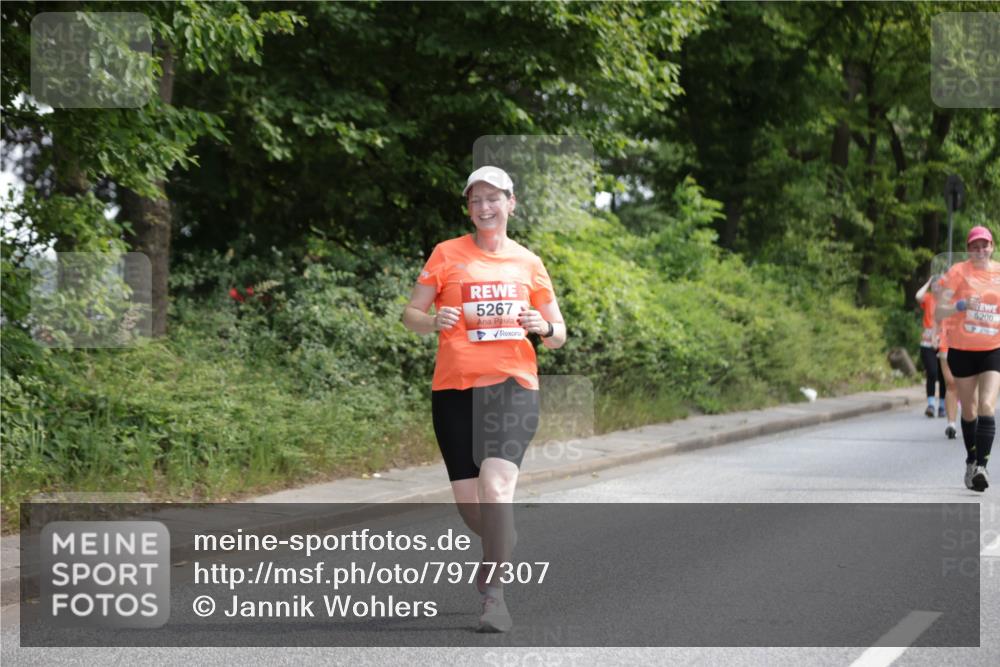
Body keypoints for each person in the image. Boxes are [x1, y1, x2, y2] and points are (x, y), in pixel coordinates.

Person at [402, 165, 567, 631]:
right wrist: (431, 321)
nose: (485, 207)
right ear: (469, 208)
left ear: (511, 203)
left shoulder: (529, 263)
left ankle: (494, 597)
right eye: (476, 200)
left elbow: (560, 334)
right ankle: (502, 539)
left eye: (493, 198)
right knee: (471, 507)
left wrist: (544, 327)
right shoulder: (446, 254)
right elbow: (410, 313)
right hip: (453, 390)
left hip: (512, 388)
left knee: (496, 488)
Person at [936, 226, 1000, 491]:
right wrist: (960, 306)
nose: (980, 250)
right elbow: (939, 312)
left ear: (992, 246)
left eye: (984, 245)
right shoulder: (957, 272)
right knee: (970, 410)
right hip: (962, 349)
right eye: (975, 246)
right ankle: (972, 460)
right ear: (968, 248)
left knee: (987, 404)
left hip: (993, 348)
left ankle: (982, 467)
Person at [916, 277, 946, 418]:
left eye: (938, 286)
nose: (935, 288)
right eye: (933, 286)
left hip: (944, 343)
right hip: (927, 342)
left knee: (943, 375)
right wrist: (927, 282)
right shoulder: (928, 298)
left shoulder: (947, 302)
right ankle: (931, 405)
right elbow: (918, 296)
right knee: (932, 372)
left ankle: (942, 406)